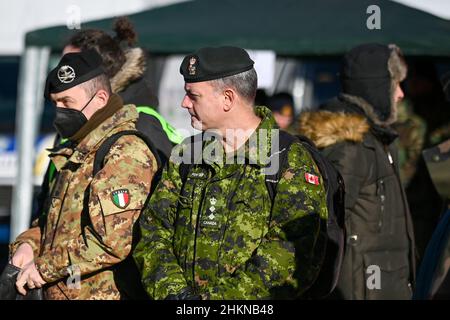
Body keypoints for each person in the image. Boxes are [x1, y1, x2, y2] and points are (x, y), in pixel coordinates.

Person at [133, 46, 328, 300]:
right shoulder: (188, 154)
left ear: (227, 98)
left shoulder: (288, 159)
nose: (184, 103)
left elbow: (289, 255)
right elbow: (153, 230)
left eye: (193, 96)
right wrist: (176, 295)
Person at [9, 50, 158, 299]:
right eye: (55, 103)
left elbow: (112, 242)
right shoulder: (76, 149)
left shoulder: (124, 152)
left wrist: (44, 268)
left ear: (100, 98)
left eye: (67, 103)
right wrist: (28, 245)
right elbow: (54, 224)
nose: (59, 111)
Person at [298, 43, 415, 299]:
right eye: (396, 84)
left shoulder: (379, 140)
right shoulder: (350, 146)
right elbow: (321, 226)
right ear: (377, 87)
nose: (401, 95)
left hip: (385, 285)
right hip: (361, 289)